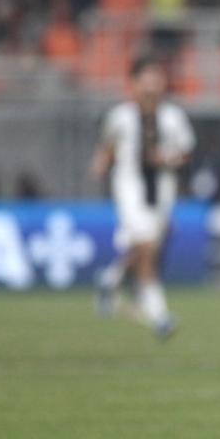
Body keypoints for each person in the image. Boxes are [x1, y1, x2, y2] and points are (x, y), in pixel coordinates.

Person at [89, 56, 195, 340]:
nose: (151, 85)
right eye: (146, 79)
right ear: (134, 83)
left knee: (148, 248)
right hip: (130, 188)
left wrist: (166, 158)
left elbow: (186, 153)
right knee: (147, 248)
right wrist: (101, 162)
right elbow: (108, 146)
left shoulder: (173, 117)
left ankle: (110, 280)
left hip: (162, 188)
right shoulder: (120, 116)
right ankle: (159, 316)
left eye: (156, 78)